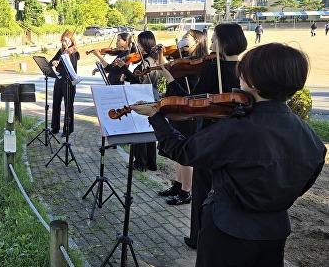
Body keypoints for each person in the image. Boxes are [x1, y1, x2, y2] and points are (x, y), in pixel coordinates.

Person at [130, 43, 325, 267]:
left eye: (242, 75)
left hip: (227, 230)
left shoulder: (237, 128)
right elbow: (304, 180)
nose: (238, 81)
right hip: (275, 231)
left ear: (252, 81)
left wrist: (155, 116)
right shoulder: (310, 137)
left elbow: (183, 151)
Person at [160, 23, 247, 249]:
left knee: (202, 189)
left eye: (216, 39)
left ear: (225, 42)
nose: (213, 43)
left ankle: (198, 237)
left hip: (211, 136)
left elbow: (192, 102)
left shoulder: (212, 69)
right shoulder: (247, 69)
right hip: (239, 139)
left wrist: (170, 82)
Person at [156, 29, 208, 206]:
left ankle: (186, 192)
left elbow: (189, 97)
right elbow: (167, 68)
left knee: (186, 155)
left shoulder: (198, 67)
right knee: (178, 153)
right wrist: (161, 54)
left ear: (197, 42)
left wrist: (170, 79)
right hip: (178, 112)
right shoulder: (183, 62)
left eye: (187, 37)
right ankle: (177, 185)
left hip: (189, 116)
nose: (183, 40)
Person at [117, 30, 161, 171]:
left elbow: (140, 80)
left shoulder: (147, 61)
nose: (139, 48)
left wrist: (123, 68)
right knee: (148, 130)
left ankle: (140, 163)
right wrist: (127, 76)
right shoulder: (153, 59)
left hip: (143, 96)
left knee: (140, 130)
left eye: (141, 45)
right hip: (150, 94)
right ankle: (150, 162)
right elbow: (137, 77)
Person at [50, 30, 80, 137]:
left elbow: (69, 67)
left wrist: (60, 63)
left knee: (68, 106)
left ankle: (68, 129)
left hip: (69, 82)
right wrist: (53, 62)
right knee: (56, 103)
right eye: (62, 41)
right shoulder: (61, 51)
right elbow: (51, 62)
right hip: (59, 81)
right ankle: (54, 127)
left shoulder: (74, 53)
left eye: (65, 41)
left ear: (71, 41)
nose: (63, 43)